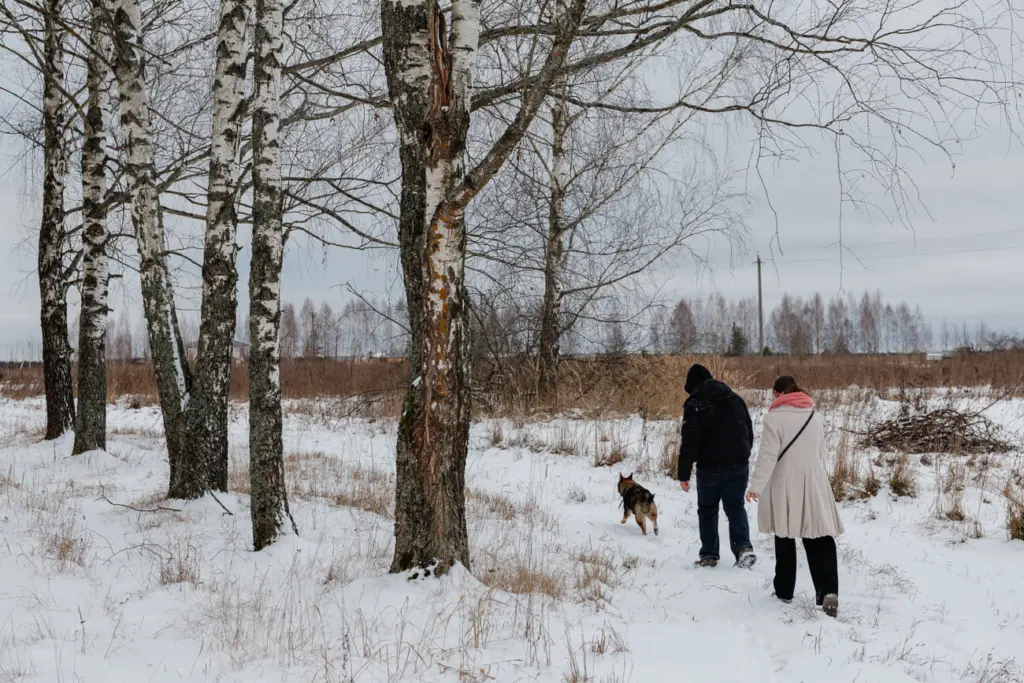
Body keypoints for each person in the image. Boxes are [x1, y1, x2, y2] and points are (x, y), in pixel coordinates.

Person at [746, 375, 844, 618]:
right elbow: (820, 452)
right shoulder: (815, 415)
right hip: (814, 480)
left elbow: (768, 455)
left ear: (777, 393)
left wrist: (756, 486)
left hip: (784, 481)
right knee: (819, 535)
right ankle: (828, 591)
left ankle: (784, 590)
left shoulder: (773, 418)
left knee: (784, 534)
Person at [678, 364, 756, 569]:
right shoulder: (735, 399)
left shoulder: (695, 404)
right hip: (738, 465)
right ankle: (743, 548)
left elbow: (689, 441)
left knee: (707, 510)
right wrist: (743, 455)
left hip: (709, 467)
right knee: (735, 507)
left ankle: (709, 555)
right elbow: (748, 431)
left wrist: (683, 473)